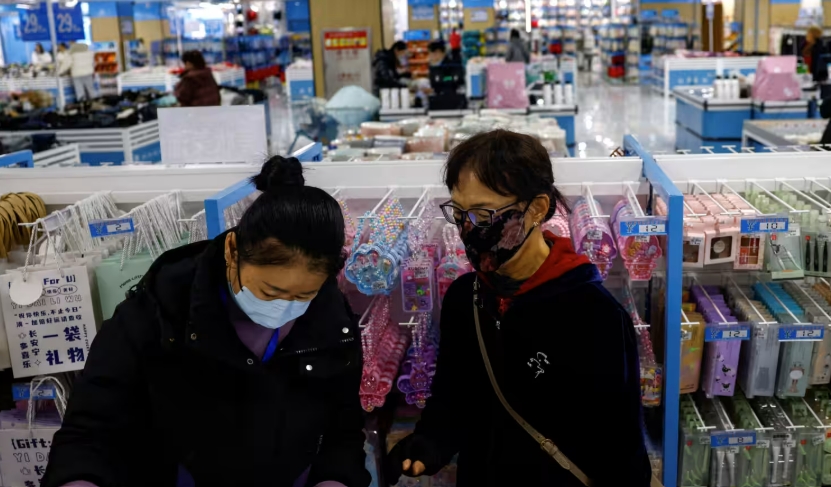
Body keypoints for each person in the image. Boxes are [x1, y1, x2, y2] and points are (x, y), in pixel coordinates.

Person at [41, 157, 372, 487]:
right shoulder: (158, 313)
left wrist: (335, 480)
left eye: (303, 295)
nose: (284, 307)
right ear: (232, 251)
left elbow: (342, 430)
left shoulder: (332, 321)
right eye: (269, 291)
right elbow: (89, 430)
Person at [385, 130, 652, 487]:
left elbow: (620, 446)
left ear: (537, 208)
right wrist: (428, 445)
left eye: (483, 213)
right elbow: (454, 396)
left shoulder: (594, 315)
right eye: (459, 213)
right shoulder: (465, 297)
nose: (468, 229)